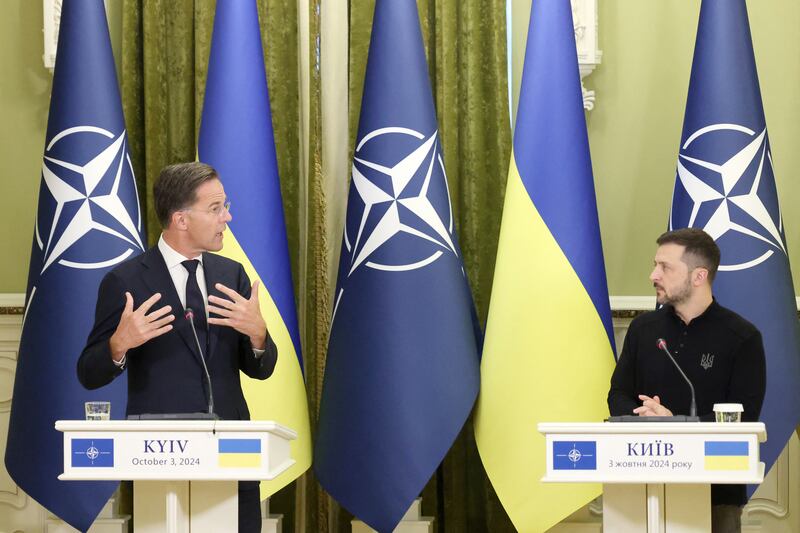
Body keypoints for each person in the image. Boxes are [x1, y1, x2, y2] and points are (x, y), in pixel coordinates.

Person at [78, 162, 277, 533]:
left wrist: (258, 335)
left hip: (231, 451)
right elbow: (88, 373)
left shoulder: (230, 274)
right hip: (158, 458)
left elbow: (259, 369)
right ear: (181, 220)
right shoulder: (126, 280)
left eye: (226, 206)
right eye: (216, 208)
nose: (227, 217)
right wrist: (119, 344)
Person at [608, 227, 766, 533]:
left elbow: (743, 418)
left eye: (665, 267)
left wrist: (676, 423)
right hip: (641, 482)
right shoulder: (643, 329)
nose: (654, 275)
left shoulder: (741, 337)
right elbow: (618, 393)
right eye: (655, 265)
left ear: (698, 276)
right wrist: (645, 418)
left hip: (715, 493)